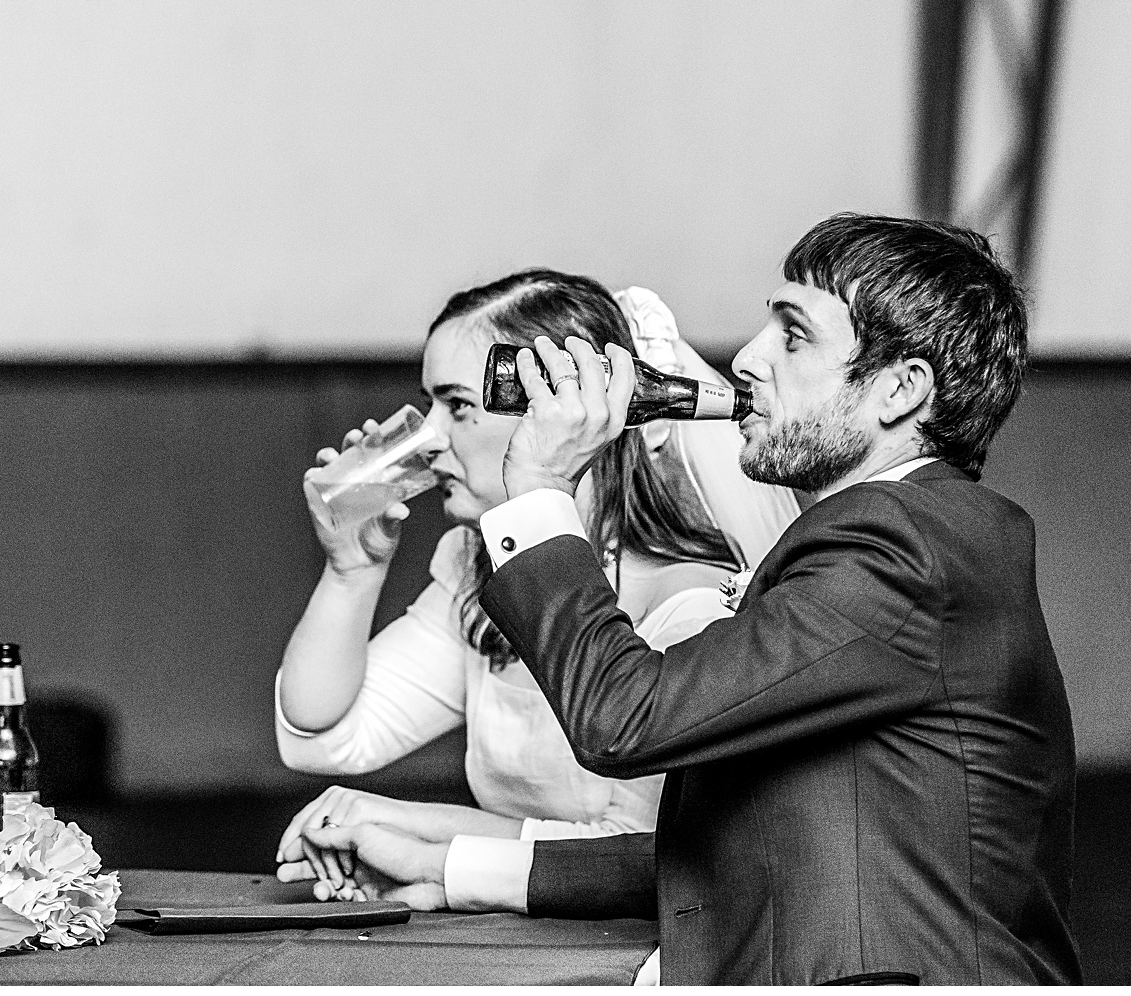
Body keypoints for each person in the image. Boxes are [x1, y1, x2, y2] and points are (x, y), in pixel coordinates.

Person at [284, 215, 1082, 985]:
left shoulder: (899, 546)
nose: (746, 359)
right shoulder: (886, 540)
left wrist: (537, 490)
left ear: (900, 390)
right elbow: (714, 854)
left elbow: (624, 716)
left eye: (793, 334)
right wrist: (441, 860)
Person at [274, 270, 799, 904]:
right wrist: (350, 572)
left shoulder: (686, 607)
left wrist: (421, 836)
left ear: (562, 414)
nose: (431, 437)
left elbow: (641, 852)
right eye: (432, 404)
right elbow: (324, 737)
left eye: (459, 405)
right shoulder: (482, 566)